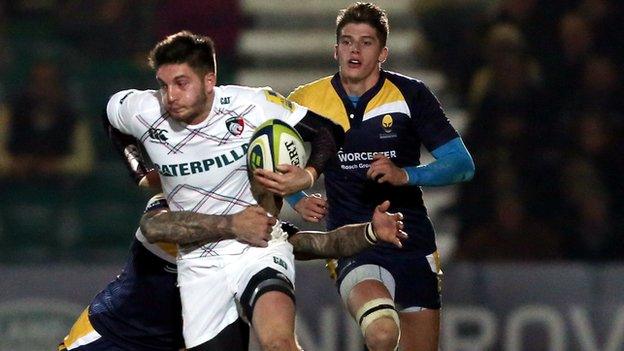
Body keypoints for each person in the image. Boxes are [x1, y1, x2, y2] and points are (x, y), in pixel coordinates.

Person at [104, 31, 344, 350]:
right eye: (163, 85)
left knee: (278, 342)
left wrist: (307, 175)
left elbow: (329, 131)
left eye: (181, 82)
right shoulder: (144, 110)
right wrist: (140, 174)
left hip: (258, 245)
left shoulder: (253, 104)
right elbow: (112, 121)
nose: (170, 95)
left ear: (208, 80)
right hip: (199, 260)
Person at [255, 3, 474, 351]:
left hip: (412, 241)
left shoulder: (410, 95)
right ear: (336, 49)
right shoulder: (304, 101)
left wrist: (406, 174)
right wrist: (297, 198)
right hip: (353, 242)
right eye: (347, 41)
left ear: (383, 52)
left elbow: (462, 164)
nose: (354, 50)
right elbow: (268, 159)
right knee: (382, 332)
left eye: (366, 42)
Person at [59, 185, 407, 351]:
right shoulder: (174, 204)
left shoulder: (256, 234)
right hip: (112, 336)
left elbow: (323, 243)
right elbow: (154, 228)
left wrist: (372, 231)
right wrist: (230, 225)